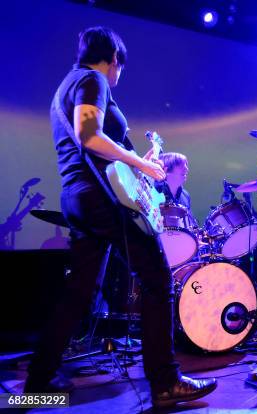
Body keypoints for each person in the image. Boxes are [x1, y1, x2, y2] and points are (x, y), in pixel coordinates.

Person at [24, 27, 217, 407]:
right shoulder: (93, 78)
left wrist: (136, 164)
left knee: (77, 295)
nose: (117, 76)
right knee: (158, 278)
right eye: (119, 69)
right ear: (113, 59)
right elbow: (89, 135)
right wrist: (135, 162)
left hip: (78, 196)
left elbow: (94, 148)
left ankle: (36, 387)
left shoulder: (66, 85)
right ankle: (164, 383)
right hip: (100, 199)